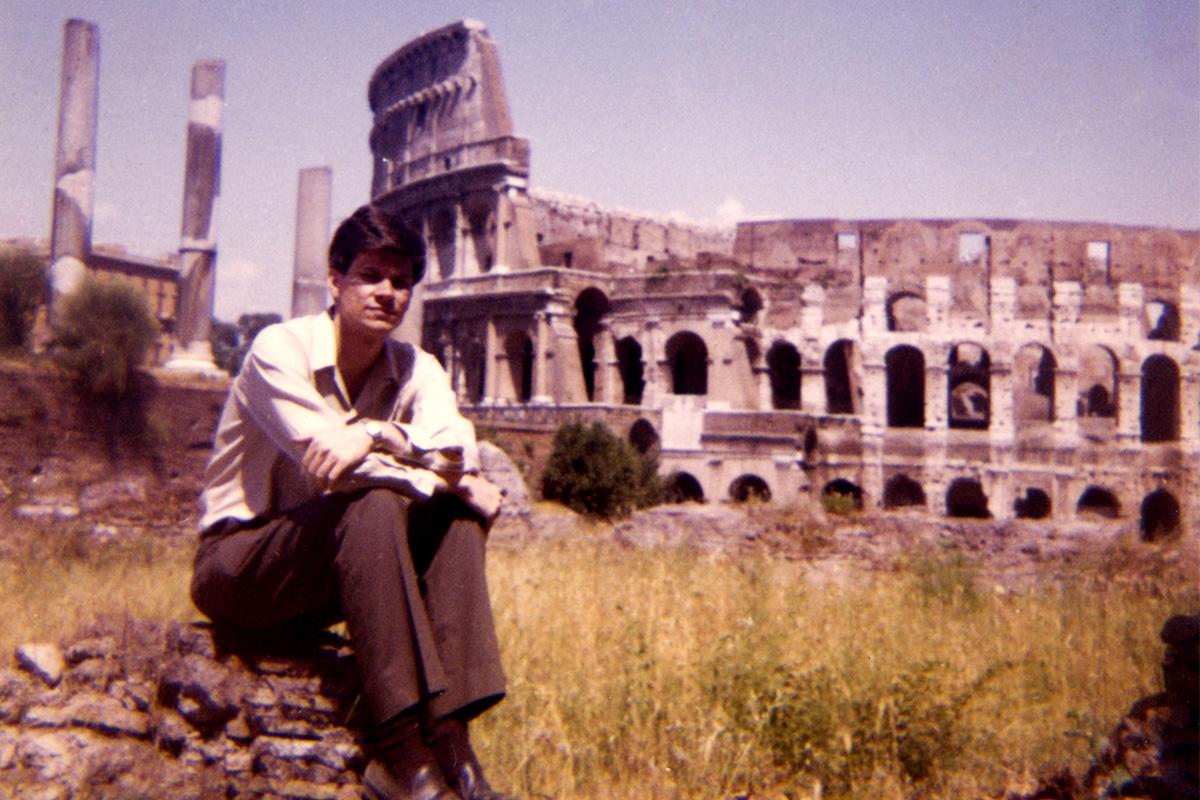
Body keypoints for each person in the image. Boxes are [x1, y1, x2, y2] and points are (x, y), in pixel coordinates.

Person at [190, 203, 513, 800]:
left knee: (454, 513)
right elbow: (342, 473)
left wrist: (377, 432)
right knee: (379, 501)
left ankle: (452, 740)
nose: (388, 293)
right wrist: (440, 474)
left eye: (401, 282)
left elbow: (455, 451)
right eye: (371, 276)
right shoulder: (277, 350)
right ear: (335, 280)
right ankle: (400, 754)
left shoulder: (417, 368)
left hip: (332, 574)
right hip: (241, 567)